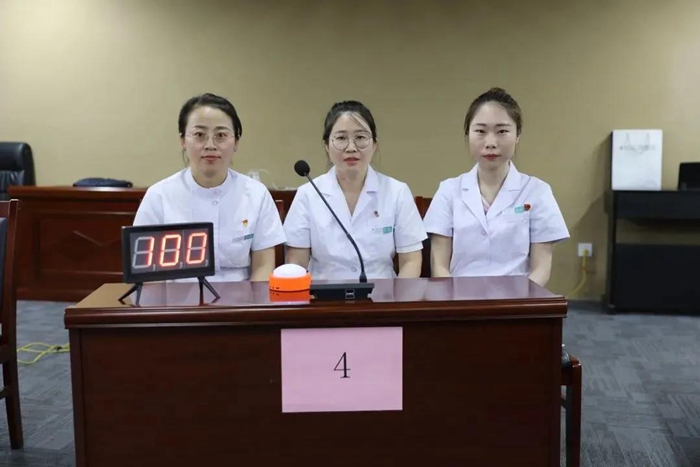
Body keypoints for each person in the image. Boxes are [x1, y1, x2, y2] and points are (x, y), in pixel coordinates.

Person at [423, 87, 569, 286]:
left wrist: (519, 300)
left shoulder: (537, 191)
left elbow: (541, 269)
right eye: (480, 131)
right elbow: (439, 266)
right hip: (459, 297)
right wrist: (458, 301)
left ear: (517, 135)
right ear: (468, 134)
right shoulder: (448, 191)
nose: (491, 142)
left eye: (502, 131)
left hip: (519, 298)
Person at [134, 93, 285, 281]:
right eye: (199, 135)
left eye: (221, 135)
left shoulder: (256, 194)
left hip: (241, 297)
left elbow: (263, 266)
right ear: (183, 140)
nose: (210, 145)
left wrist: (251, 300)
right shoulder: (158, 196)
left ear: (236, 141)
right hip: (177, 297)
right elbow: (147, 277)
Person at [284, 100, 426, 280]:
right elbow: (296, 263)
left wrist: (398, 296)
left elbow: (411, 261)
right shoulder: (308, 194)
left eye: (360, 138)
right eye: (341, 138)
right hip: (322, 293)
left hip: (383, 293)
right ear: (327, 146)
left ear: (374, 144)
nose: (351, 148)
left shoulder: (397, 192)